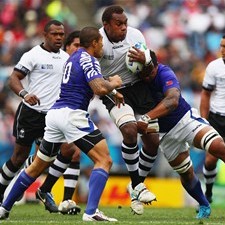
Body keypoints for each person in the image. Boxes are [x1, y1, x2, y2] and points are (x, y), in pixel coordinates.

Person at [0, 26, 124, 222]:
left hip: (55, 114)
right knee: (104, 160)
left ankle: (4, 208)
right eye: (101, 43)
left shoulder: (72, 57)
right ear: (94, 43)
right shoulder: (89, 59)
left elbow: (90, 82)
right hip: (72, 115)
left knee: (37, 166)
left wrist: (112, 92)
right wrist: (115, 83)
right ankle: (91, 212)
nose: (102, 48)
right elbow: (99, 87)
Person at [137, 49, 225, 219]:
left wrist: (146, 117)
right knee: (186, 173)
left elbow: (172, 100)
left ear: (155, 65)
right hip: (165, 135)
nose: (148, 76)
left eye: (150, 71)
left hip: (185, 120)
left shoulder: (164, 72)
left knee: (218, 146)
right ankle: (204, 204)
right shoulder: (134, 81)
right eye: (144, 73)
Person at [0, 20, 77, 214]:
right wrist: (25, 94)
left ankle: (43, 190)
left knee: (54, 155)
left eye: (61, 34)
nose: (59, 37)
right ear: (45, 35)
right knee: (19, 157)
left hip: (52, 117)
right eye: (55, 34)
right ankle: (1, 192)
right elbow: (14, 78)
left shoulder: (66, 58)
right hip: (30, 113)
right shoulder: (33, 55)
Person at [98, 5, 159, 215]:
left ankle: (135, 188)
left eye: (125, 23)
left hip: (139, 89)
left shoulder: (135, 35)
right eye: (118, 24)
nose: (124, 27)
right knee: (130, 130)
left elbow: (150, 71)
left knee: (152, 142)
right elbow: (94, 79)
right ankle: (138, 185)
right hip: (113, 91)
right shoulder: (98, 42)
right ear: (106, 25)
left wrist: (146, 60)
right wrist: (111, 91)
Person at [36, 30, 82, 215]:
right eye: (76, 46)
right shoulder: (61, 61)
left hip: (66, 114)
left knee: (74, 152)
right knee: (36, 162)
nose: (80, 50)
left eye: (82, 46)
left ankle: (66, 200)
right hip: (47, 115)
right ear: (68, 46)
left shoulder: (80, 64)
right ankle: (9, 196)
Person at [199, 34, 225, 203]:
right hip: (217, 118)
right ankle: (207, 194)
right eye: (221, 46)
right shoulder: (214, 67)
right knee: (210, 160)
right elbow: (206, 94)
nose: (222, 50)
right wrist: (203, 120)